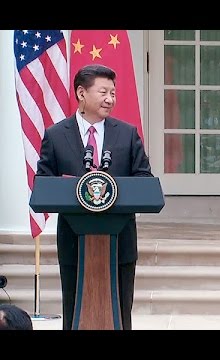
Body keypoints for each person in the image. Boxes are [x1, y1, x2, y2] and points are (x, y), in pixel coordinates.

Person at [36, 64, 153, 330]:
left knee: (121, 311)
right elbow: (43, 184)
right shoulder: (55, 136)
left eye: (113, 92)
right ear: (81, 93)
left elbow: (144, 180)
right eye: (103, 92)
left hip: (120, 239)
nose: (110, 99)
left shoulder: (127, 133)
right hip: (75, 241)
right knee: (74, 307)